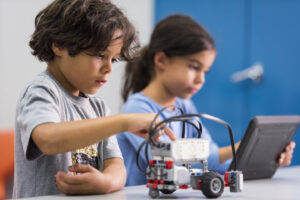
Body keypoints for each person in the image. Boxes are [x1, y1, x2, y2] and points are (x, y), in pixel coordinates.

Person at [13, 0, 175, 198]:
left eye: (113, 59)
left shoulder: (97, 107)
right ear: (59, 45)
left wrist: (106, 182)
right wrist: (125, 122)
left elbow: (117, 167)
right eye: (100, 55)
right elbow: (48, 140)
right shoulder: (42, 90)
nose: (109, 68)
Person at [117, 14, 296, 186]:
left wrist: (261, 159)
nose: (201, 79)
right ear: (161, 60)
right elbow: (171, 163)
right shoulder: (137, 108)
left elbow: (211, 162)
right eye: (194, 67)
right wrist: (242, 147)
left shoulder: (184, 106)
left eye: (205, 71)